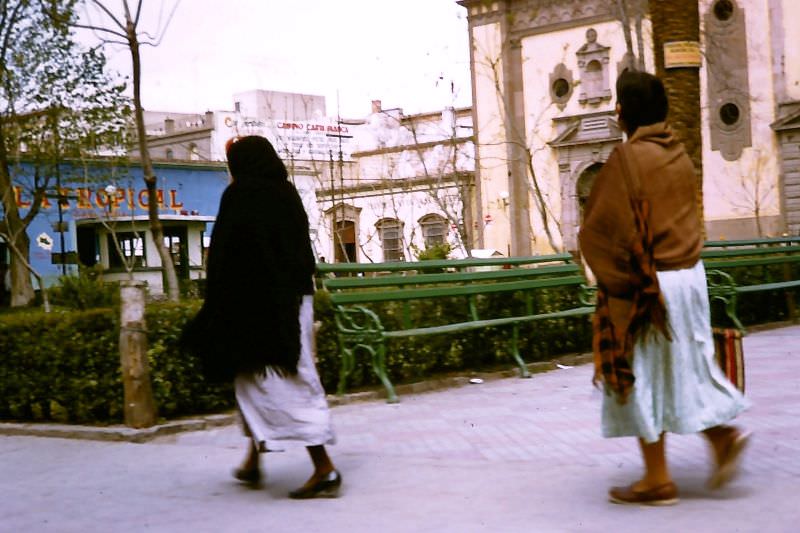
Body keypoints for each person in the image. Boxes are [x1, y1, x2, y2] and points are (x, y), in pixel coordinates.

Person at [578, 71, 751, 506]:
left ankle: (657, 479)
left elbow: (601, 230)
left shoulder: (625, 160)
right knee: (686, 368)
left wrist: (610, 277)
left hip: (651, 288)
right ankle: (723, 438)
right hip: (690, 277)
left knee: (641, 376)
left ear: (621, 112)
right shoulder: (678, 153)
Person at [182, 135, 340, 499]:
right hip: (291, 302)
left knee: (281, 381)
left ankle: (324, 466)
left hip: (259, 309)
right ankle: (254, 459)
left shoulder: (241, 196)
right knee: (252, 379)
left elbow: (225, 255)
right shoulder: (286, 193)